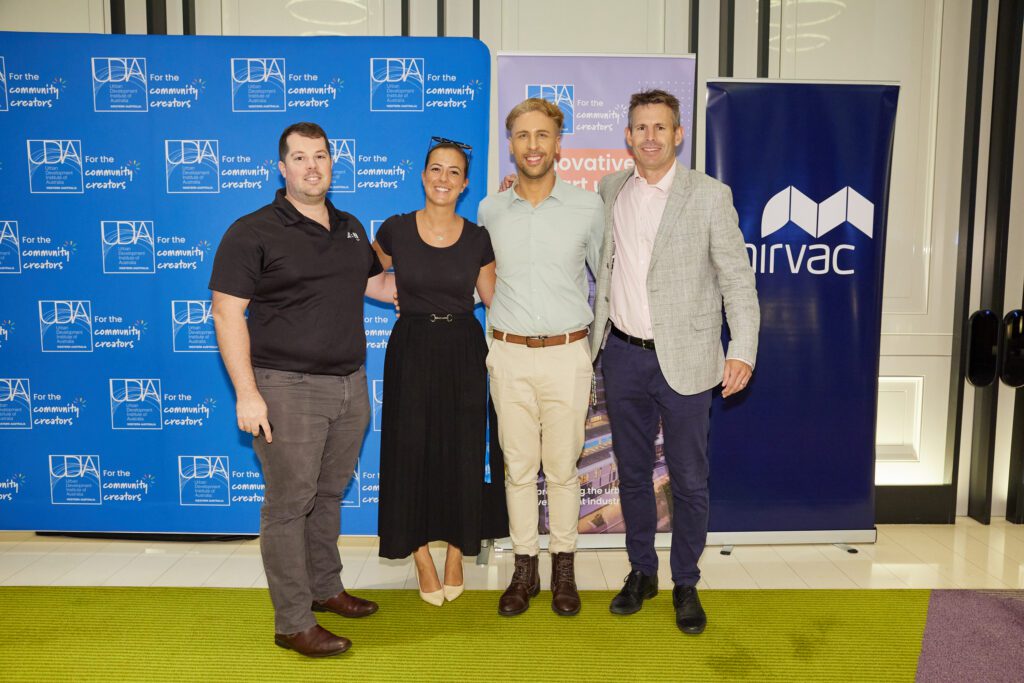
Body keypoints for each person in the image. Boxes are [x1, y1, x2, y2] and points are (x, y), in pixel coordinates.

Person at [209, 122, 395, 658]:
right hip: (285, 388)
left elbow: (377, 284)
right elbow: (226, 312)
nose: (312, 166)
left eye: (321, 156)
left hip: (350, 386)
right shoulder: (253, 230)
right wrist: (247, 394)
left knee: (328, 496)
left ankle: (325, 588)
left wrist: (445, 278)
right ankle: (292, 622)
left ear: (333, 162)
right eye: (300, 157)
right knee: (289, 505)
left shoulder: (351, 227)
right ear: (282, 167)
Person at [591, 90, 760, 634]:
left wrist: (742, 349)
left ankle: (686, 580)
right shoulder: (610, 190)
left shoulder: (709, 195)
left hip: (688, 358)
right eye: (640, 127)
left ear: (678, 134)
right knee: (633, 475)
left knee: (688, 479)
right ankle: (643, 572)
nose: (650, 137)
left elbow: (737, 280)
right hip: (622, 356)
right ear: (628, 136)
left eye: (660, 127)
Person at [478, 98, 604, 617]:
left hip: (567, 354)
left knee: (563, 470)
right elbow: (483, 277)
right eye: (523, 136)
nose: (533, 145)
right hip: (508, 355)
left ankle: (564, 570)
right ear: (511, 144)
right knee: (518, 469)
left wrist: (592, 349)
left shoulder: (587, 207)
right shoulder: (490, 210)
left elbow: (607, 279)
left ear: (558, 143)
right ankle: (523, 570)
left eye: (543, 135)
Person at [373, 139, 508, 605]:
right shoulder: (395, 229)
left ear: (465, 183)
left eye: (453, 172)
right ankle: (419, 556)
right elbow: (364, 275)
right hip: (410, 348)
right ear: (423, 175)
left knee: (462, 452)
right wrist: (396, 293)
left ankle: (455, 552)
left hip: (463, 350)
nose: (443, 179)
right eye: (436, 169)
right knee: (408, 453)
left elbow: (493, 299)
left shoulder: (477, 238)